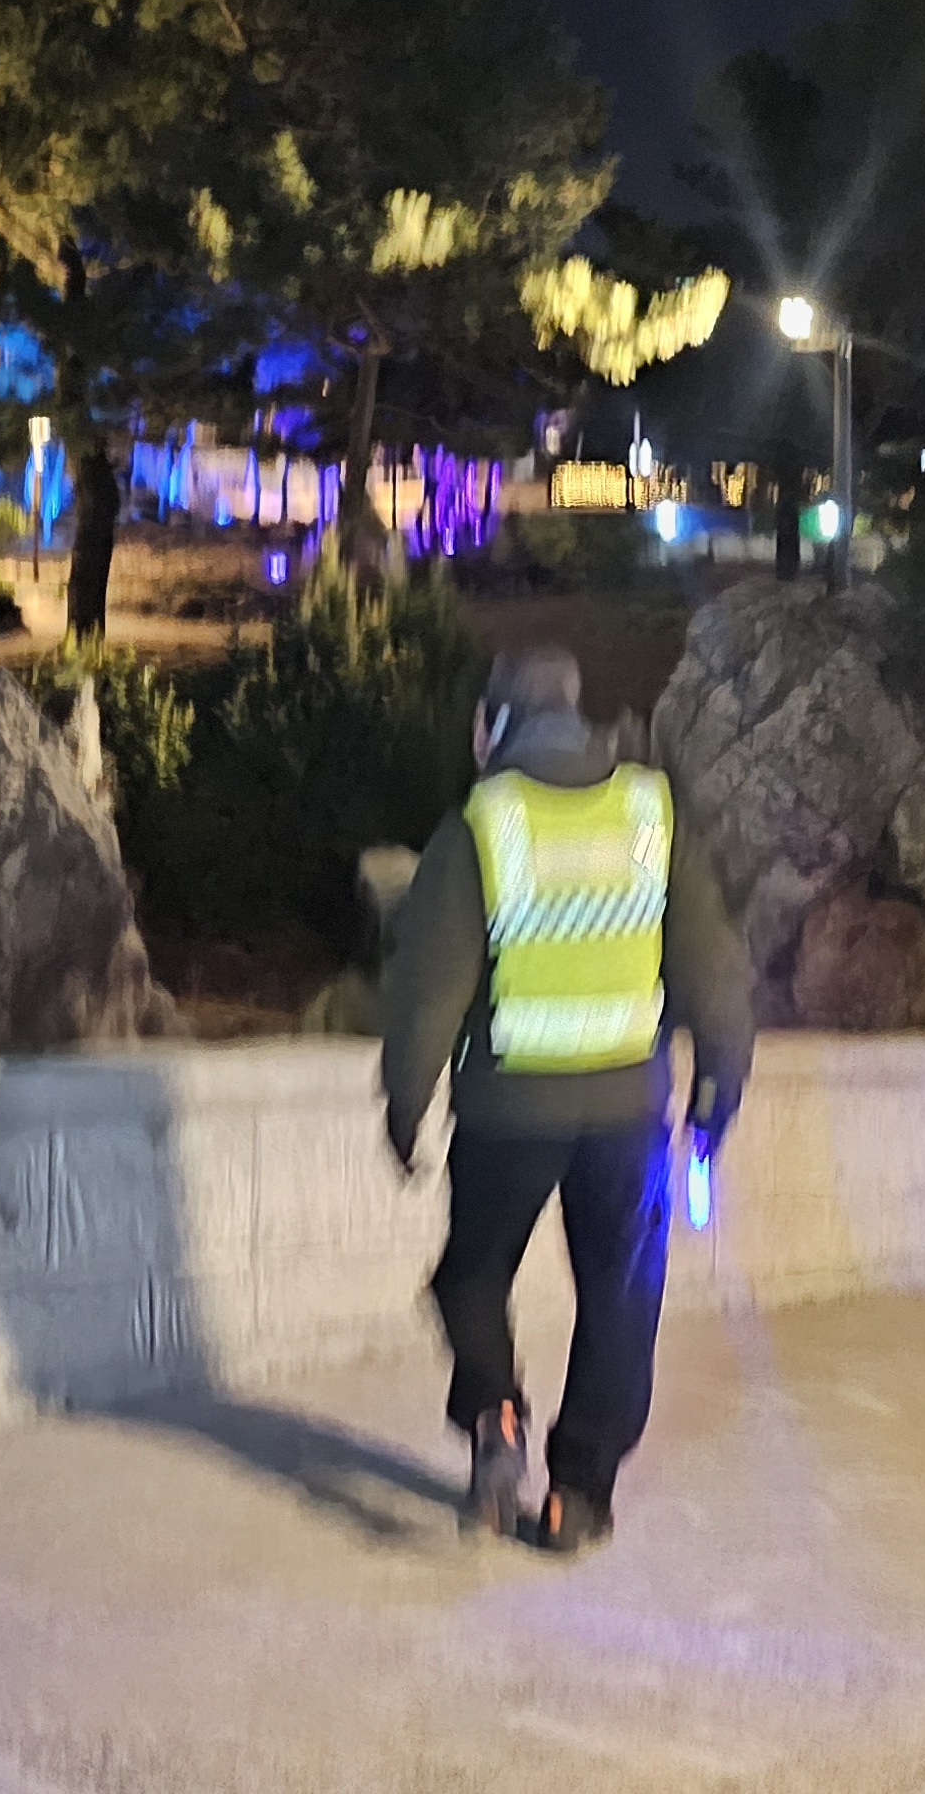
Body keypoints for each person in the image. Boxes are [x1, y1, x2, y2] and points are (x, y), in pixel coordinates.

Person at [381, 648, 755, 1551]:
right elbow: (716, 974)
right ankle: (577, 1497)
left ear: (493, 724)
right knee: (621, 1297)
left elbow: (428, 990)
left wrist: (406, 1104)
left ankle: (496, 1413)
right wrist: (716, 1092)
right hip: (629, 1117)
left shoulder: (481, 823)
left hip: (507, 1114)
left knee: (470, 1277)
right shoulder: (651, 811)